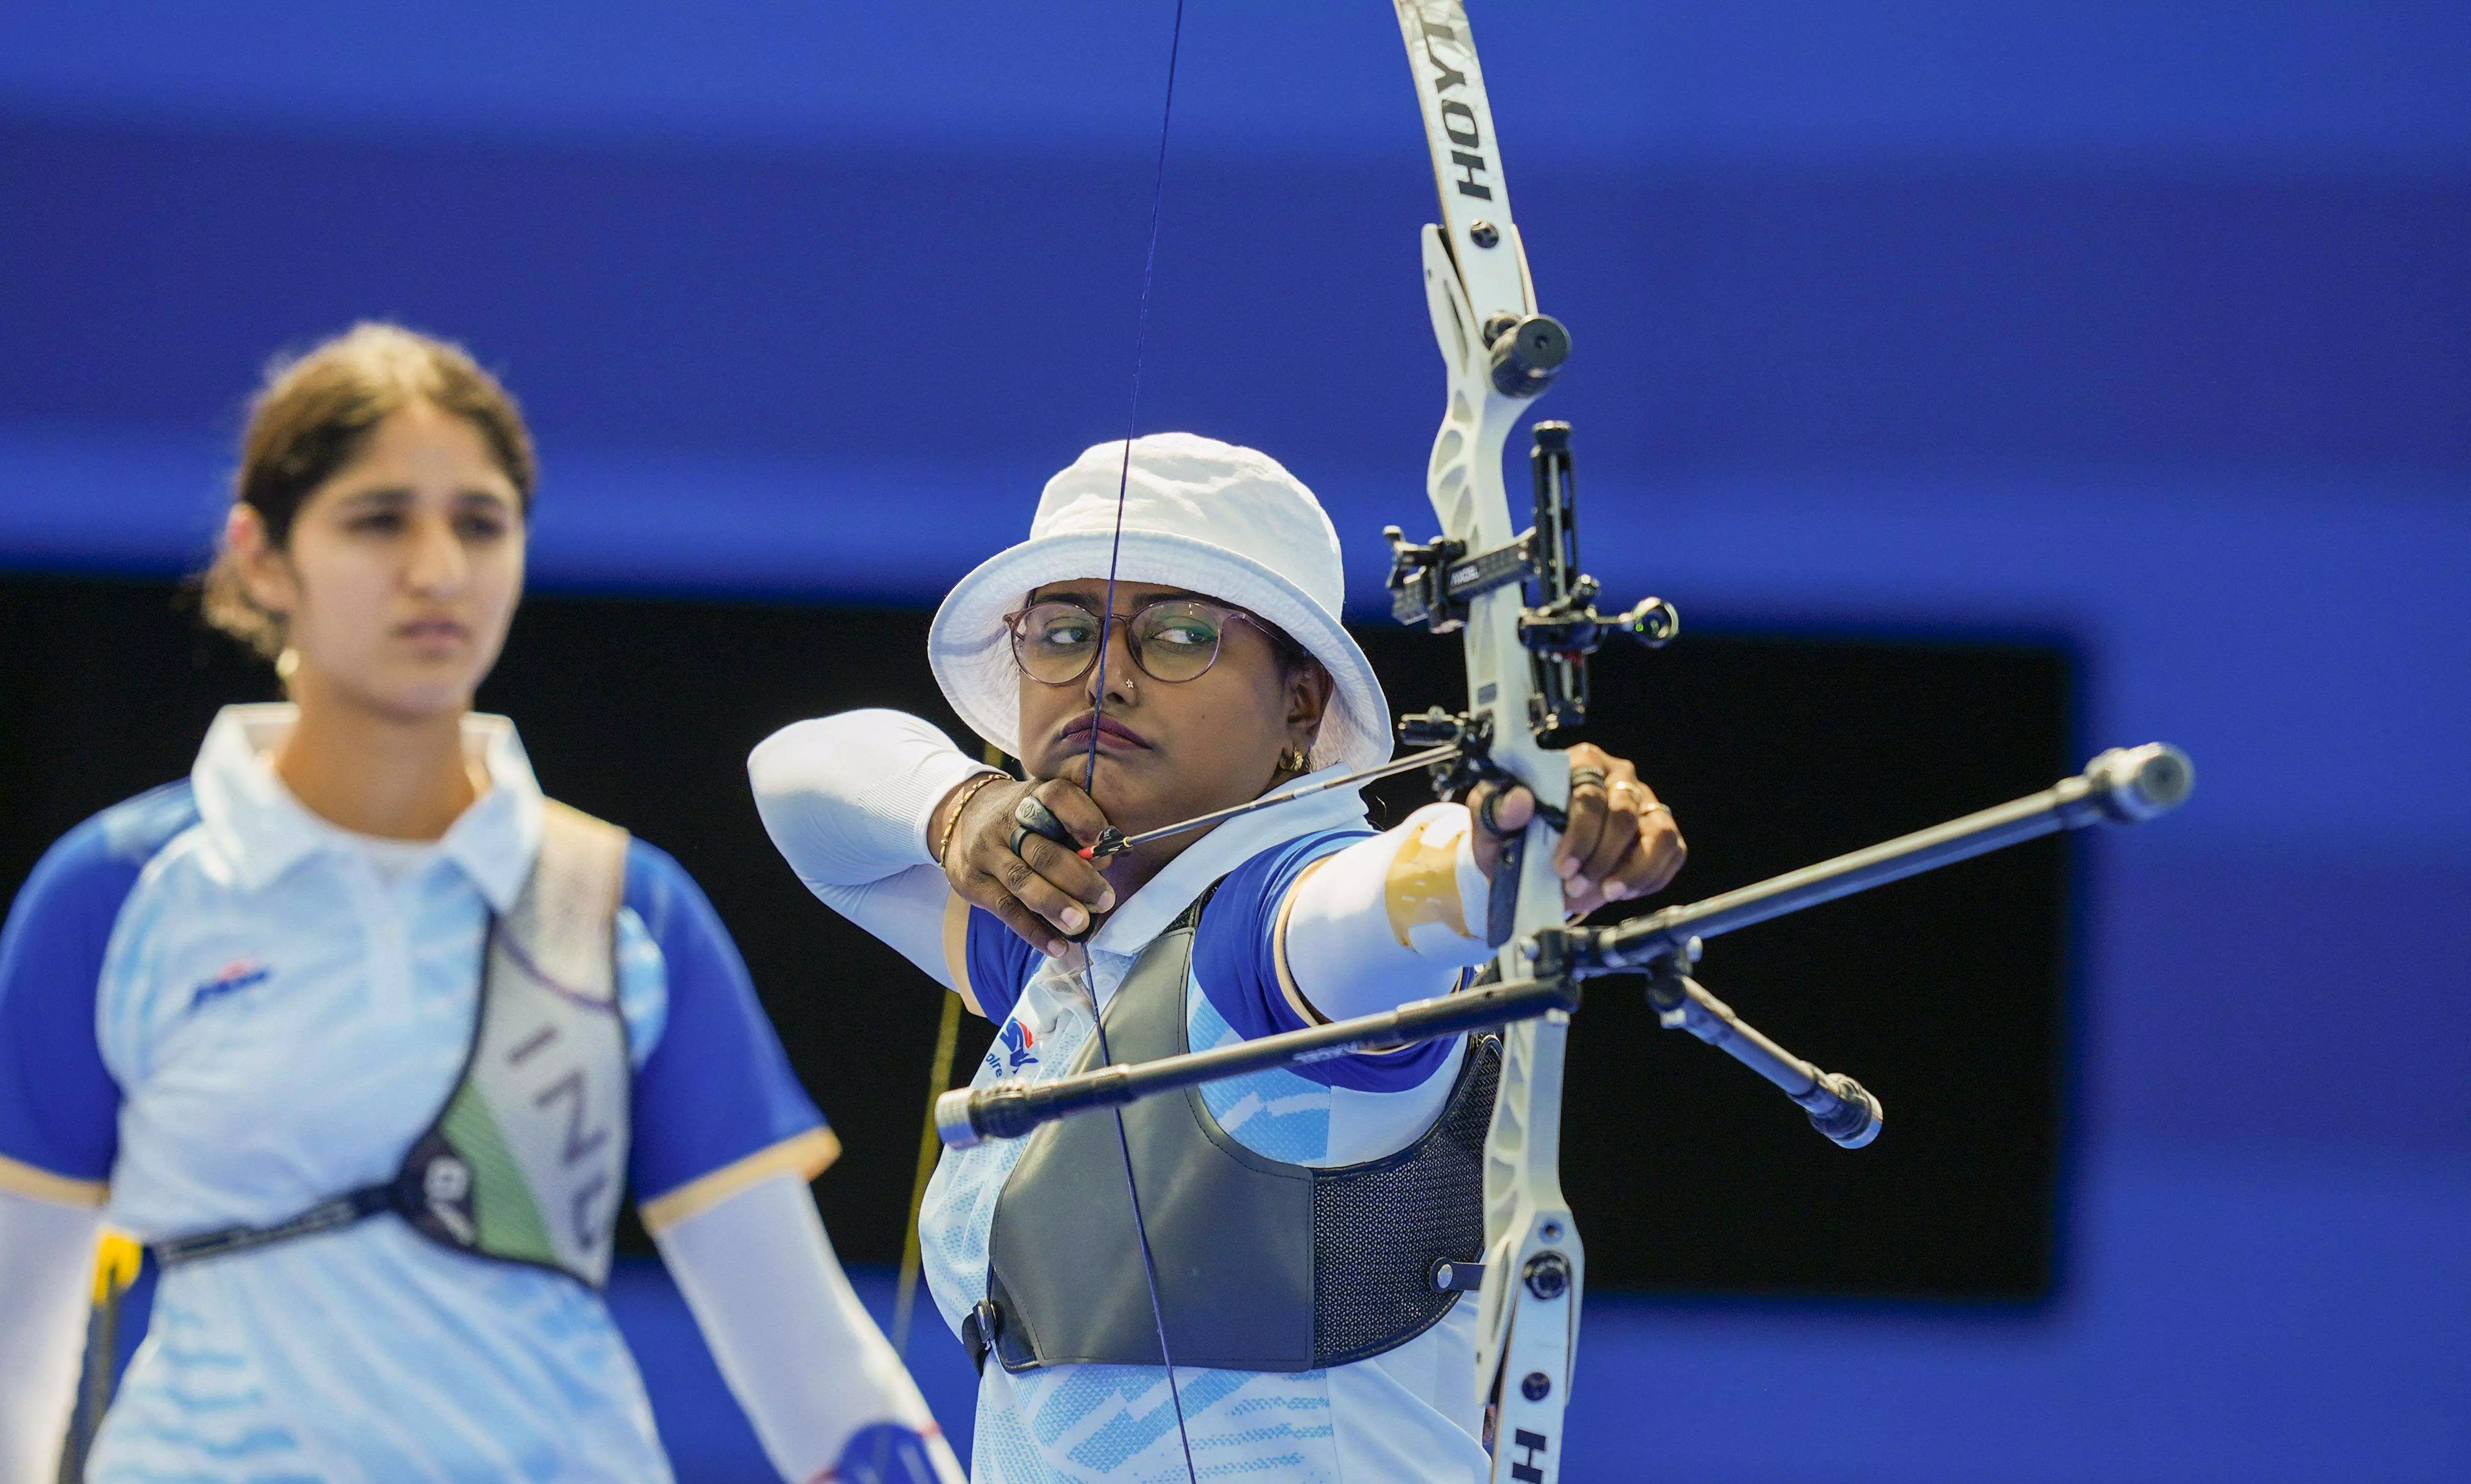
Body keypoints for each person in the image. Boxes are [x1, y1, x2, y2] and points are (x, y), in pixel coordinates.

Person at [0, 324, 963, 1483]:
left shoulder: (625, 909)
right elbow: (16, 1342)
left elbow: (814, 1369)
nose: (438, 569)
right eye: (378, 518)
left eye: (480, 521)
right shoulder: (115, 895)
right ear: (261, 557)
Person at [751, 433, 1685, 1482]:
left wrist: (1507, 846)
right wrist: (957, 807)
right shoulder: (1057, 936)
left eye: (1181, 634)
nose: (1104, 677)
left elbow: (1379, 905)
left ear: (1301, 704)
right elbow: (791, 777)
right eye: (1062, 631)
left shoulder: (1277, 930)